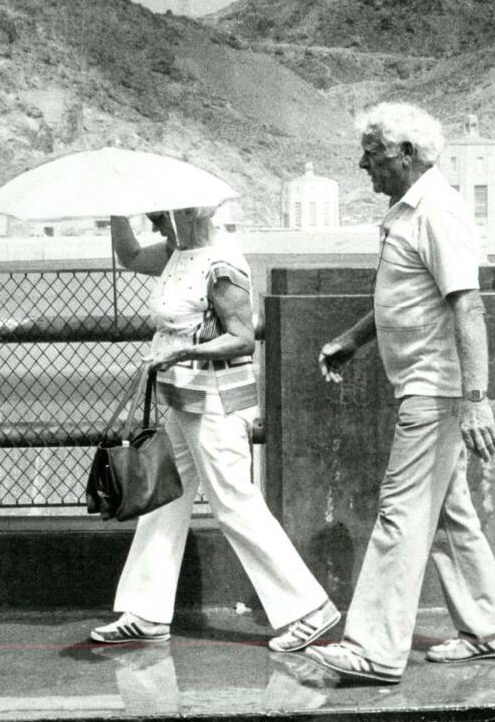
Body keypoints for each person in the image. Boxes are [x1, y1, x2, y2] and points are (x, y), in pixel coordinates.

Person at [303, 102, 495, 685]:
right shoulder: (410, 212)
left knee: (401, 511)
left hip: (435, 390)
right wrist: (353, 338)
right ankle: (492, 628)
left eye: (372, 155)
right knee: (448, 515)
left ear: (404, 155)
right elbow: (405, 297)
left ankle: (373, 649)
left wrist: (476, 399)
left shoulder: (438, 211)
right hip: (425, 387)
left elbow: (466, 306)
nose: (362, 165)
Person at [90, 202, 339, 653]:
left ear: (189, 214)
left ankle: (309, 610)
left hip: (219, 402)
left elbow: (242, 336)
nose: (154, 223)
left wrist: (180, 353)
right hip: (182, 398)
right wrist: (115, 208)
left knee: (233, 502)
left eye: (159, 215)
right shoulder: (176, 251)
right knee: (165, 498)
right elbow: (128, 256)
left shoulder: (222, 264)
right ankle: (145, 611)